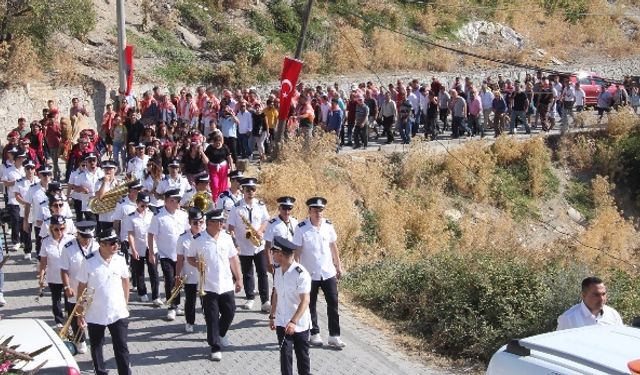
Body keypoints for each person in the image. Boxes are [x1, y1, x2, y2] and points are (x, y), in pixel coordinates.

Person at [187, 209, 243, 361]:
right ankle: (215, 346)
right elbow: (190, 257)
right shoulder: (198, 239)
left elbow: (233, 259)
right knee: (211, 317)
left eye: (222, 221)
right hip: (208, 285)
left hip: (225, 284)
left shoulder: (226, 238)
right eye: (219, 222)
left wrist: (239, 279)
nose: (222, 224)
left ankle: (221, 333)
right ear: (210, 223)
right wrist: (197, 263)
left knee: (230, 312)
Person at [76, 228, 131, 375]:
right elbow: (82, 286)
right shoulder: (89, 261)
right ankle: (100, 372)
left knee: (121, 347)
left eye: (117, 242)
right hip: (96, 312)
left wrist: (125, 302)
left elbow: (126, 281)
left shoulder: (120, 258)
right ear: (102, 244)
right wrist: (80, 312)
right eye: (112, 243)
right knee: (97, 346)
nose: (116, 246)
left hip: (117, 312)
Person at [292, 197, 345, 349]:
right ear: (309, 211)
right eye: (315, 211)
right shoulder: (301, 228)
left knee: (333, 303)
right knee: (310, 304)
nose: (318, 213)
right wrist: (298, 271)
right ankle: (314, 333)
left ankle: (334, 336)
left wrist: (338, 265)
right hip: (309, 273)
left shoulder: (328, 226)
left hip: (327, 272)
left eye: (320, 210)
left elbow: (333, 246)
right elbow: (297, 251)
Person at [268, 236, 312, 375]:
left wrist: (293, 322)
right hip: (282, 320)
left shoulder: (301, 274)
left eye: (273, 252)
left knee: (302, 357)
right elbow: (276, 294)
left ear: (280, 254)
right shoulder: (278, 270)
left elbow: (305, 300)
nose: (272, 255)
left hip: (299, 324)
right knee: (285, 355)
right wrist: (272, 315)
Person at [227, 177, 270, 312]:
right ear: (243, 190)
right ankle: (250, 297)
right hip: (244, 246)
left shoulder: (261, 205)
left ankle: (265, 300)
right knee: (247, 273)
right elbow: (231, 227)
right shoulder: (236, 208)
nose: (251, 192)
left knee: (262, 272)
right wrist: (235, 242)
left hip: (259, 245)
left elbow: (265, 220)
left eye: (253, 189)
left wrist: (260, 231)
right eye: (248, 190)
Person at [148, 188, 189, 320]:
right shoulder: (158, 216)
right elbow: (151, 235)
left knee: (179, 280)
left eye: (178, 201)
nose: (177, 203)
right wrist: (151, 252)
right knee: (170, 279)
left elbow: (189, 232)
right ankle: (171, 306)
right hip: (166, 254)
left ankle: (177, 304)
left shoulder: (183, 215)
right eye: (174, 201)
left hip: (182, 255)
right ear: (166, 201)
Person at [60, 221, 99, 354]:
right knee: (76, 314)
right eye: (83, 237)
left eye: (88, 237)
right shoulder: (68, 247)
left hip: (93, 289)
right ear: (78, 235)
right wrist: (66, 287)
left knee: (93, 315)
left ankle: (94, 338)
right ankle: (80, 339)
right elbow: (64, 269)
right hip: (75, 288)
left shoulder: (98, 245)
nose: (86, 240)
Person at [123, 192, 161, 306]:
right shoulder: (130, 217)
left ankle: (156, 296)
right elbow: (130, 234)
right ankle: (142, 292)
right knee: (139, 272)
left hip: (152, 246)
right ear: (137, 203)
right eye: (142, 205)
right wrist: (133, 249)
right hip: (138, 246)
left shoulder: (153, 215)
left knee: (154, 271)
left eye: (147, 205)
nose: (145, 208)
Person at [38, 214, 75, 327]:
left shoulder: (71, 239)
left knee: (69, 300)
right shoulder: (46, 242)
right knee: (56, 300)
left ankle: (70, 320)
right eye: (56, 229)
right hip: (53, 276)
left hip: (69, 276)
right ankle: (59, 321)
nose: (59, 231)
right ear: (51, 229)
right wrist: (41, 276)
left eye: (62, 228)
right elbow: (43, 261)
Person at [557, 276, 624, 330]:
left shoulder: (613, 315)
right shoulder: (568, 318)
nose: (601, 299)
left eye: (603, 294)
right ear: (583, 295)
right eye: (596, 295)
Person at [176, 208, 205, 332]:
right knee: (190, 300)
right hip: (190, 274)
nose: (198, 225)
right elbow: (180, 259)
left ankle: (209, 319)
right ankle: (190, 322)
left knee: (207, 301)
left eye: (201, 222)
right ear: (189, 222)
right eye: (195, 222)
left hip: (205, 275)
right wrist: (178, 276)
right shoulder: (183, 238)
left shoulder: (206, 235)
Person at [264, 196, 299, 274]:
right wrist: (269, 263)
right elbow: (267, 246)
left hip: (292, 261)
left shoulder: (295, 222)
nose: (287, 212)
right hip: (279, 261)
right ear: (279, 208)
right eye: (284, 208)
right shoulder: (272, 224)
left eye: (289, 209)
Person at [14, 159, 38, 260]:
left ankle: (39, 251)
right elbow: (17, 196)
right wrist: (26, 203)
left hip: (37, 210)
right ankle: (28, 251)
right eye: (27, 168)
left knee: (39, 231)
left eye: (31, 168)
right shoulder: (19, 182)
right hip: (25, 209)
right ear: (24, 169)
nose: (29, 170)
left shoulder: (39, 180)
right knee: (26, 231)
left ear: (34, 169)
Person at [2, 148, 26, 250]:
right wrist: (15, 182)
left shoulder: (26, 169)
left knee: (24, 221)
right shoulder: (8, 170)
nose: (22, 160)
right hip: (13, 199)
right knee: (15, 220)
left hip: (25, 200)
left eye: (23, 158)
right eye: (21, 158)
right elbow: (5, 183)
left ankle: (24, 240)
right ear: (16, 159)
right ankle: (16, 241)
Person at [73, 152, 104, 221]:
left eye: (94, 160)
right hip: (88, 206)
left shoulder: (102, 173)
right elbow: (75, 188)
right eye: (90, 161)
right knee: (92, 226)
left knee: (99, 228)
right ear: (86, 162)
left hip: (100, 204)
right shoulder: (81, 175)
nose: (92, 162)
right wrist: (81, 189)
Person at [94, 160, 120, 231]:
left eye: (110, 169)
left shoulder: (120, 182)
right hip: (105, 216)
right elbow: (99, 196)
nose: (108, 171)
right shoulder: (99, 182)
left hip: (117, 215)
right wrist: (105, 182)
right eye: (106, 169)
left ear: (115, 170)